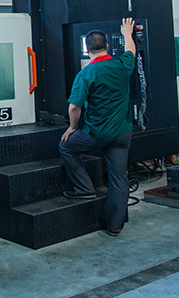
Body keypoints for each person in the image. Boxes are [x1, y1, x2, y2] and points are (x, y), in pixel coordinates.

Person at [58, 17, 136, 236]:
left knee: (66, 147)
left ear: (87, 49)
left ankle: (84, 188)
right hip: (122, 133)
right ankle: (115, 226)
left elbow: (74, 107)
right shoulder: (122, 64)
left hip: (96, 134)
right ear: (107, 46)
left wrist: (72, 127)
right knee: (119, 178)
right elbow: (131, 51)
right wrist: (127, 33)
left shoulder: (86, 73)